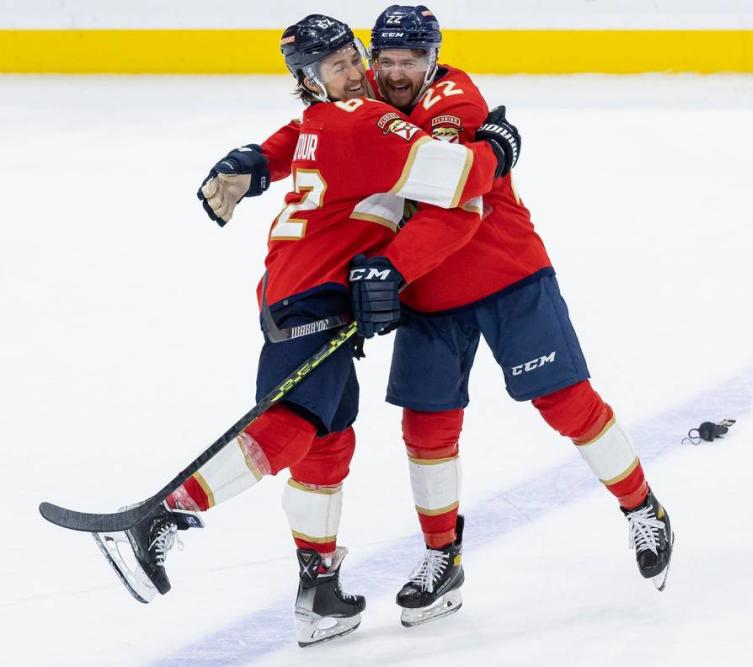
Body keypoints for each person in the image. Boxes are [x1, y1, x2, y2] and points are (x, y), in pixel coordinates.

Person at [92, 13, 522, 647]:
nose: (353, 72)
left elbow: (294, 138)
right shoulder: (373, 120)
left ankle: (319, 592)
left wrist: (252, 164)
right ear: (309, 79)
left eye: (354, 58)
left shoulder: (323, 119)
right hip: (316, 292)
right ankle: (167, 514)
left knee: (329, 442)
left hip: (295, 288)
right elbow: (461, 179)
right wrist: (500, 145)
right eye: (336, 68)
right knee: (293, 425)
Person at [345, 5, 675, 627]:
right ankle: (444, 560)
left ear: (433, 58)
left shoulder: (455, 97)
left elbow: (448, 188)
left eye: (409, 61)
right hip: (427, 295)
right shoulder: (363, 104)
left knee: (567, 404)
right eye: (385, 61)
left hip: (508, 277)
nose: (396, 73)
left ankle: (642, 510)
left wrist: (390, 259)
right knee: (426, 427)